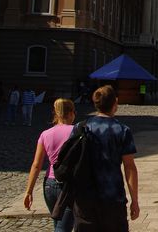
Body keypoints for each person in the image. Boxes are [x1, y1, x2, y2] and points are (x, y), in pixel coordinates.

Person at [72, 85, 139, 230]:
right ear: (115, 103)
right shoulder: (122, 130)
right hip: (112, 196)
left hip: (85, 197)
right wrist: (135, 200)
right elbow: (129, 167)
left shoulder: (80, 128)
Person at [23, 98, 76, 232]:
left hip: (49, 184)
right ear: (71, 113)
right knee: (63, 227)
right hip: (69, 185)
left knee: (58, 224)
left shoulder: (45, 134)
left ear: (56, 113)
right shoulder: (77, 132)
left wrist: (29, 191)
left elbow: (36, 165)